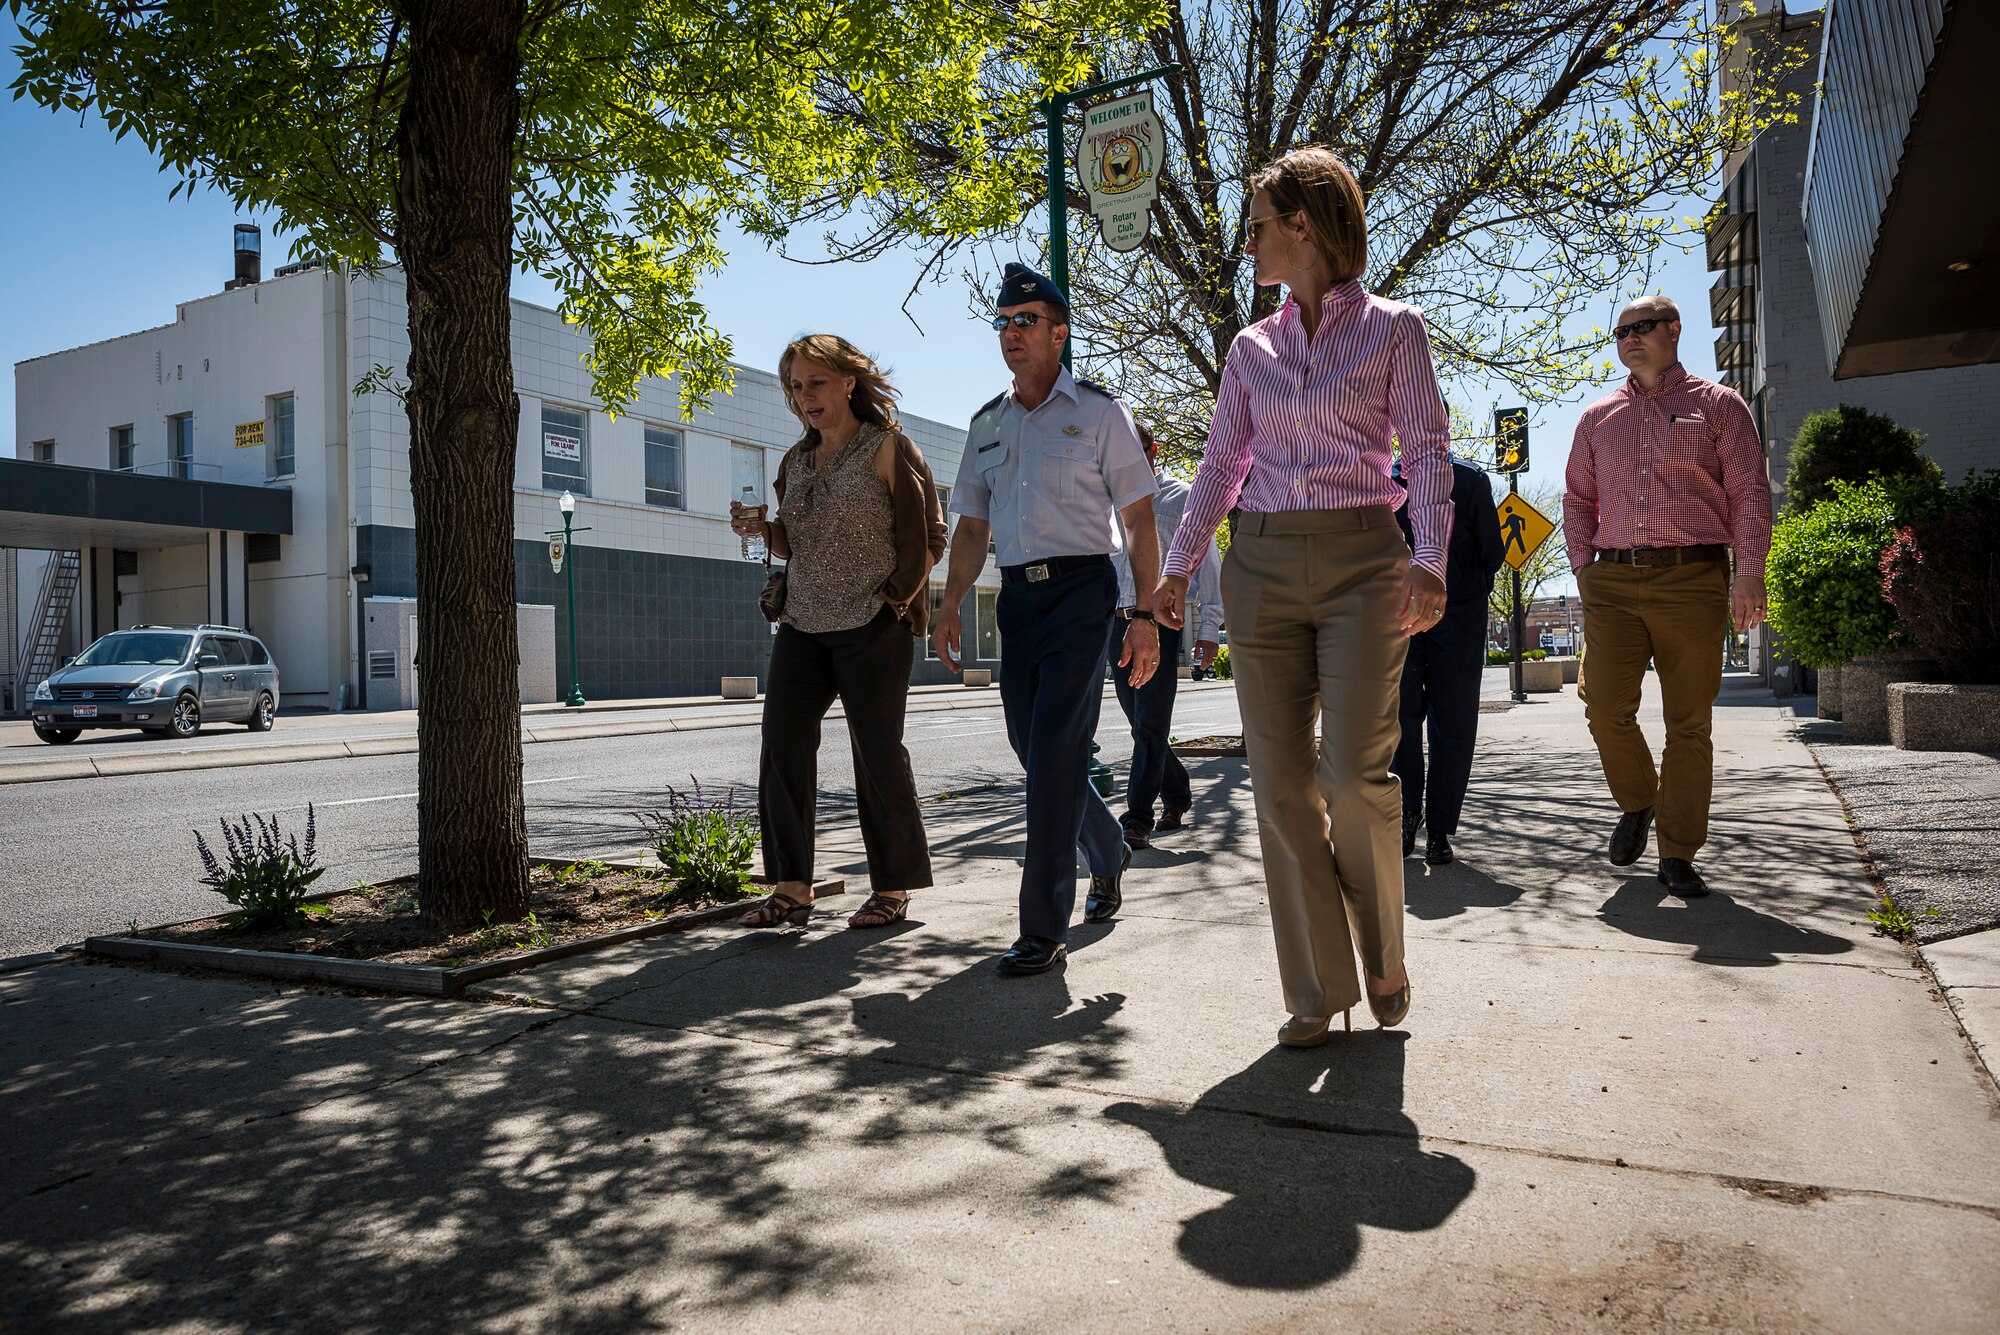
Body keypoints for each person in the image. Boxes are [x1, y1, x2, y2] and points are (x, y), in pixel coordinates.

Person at [1155, 146, 1452, 1048]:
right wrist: (1178, 563)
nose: (1248, 241)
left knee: (1355, 778)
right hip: (1264, 563)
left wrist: (1431, 556)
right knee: (1280, 786)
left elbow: (1429, 448)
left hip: (1367, 559)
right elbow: (1221, 464)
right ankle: (1319, 989)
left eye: (1258, 224)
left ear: (1302, 225)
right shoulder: (1251, 347)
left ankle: (1384, 952)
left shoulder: (1396, 329)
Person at [932, 263, 1161, 975]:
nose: (1011, 333)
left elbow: (1141, 520)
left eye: (1025, 320)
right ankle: (1107, 844)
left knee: (1057, 746)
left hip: (1082, 594)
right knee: (1035, 749)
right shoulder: (987, 424)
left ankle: (1042, 928)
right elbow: (971, 527)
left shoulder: (1097, 412)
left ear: (1060, 332)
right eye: (1002, 323)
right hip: (1019, 600)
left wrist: (1145, 612)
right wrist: (948, 600)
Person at [729, 334, 948, 930]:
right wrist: (761, 530)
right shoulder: (794, 461)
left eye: (816, 383)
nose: (805, 397)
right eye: (796, 387)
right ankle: (793, 886)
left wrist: (893, 602)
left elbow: (931, 536)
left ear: (849, 382)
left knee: (876, 754)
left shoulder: (888, 448)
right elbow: (792, 543)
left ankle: (893, 887)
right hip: (803, 624)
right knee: (782, 747)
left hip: (871, 624)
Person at [1563, 295, 1772, 898]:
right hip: (1612, 580)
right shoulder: (1598, 416)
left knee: (1689, 723)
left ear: (1674, 330)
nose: (1629, 338)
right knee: (1604, 708)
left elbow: (1749, 493)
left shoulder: (1719, 406)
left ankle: (1678, 851)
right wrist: (1584, 570)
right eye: (1621, 331)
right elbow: (1578, 498)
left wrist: (1748, 572)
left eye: (1642, 327)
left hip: (1692, 578)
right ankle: (1638, 803)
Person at [1108, 420, 1223, 848]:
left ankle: (1137, 817)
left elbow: (1208, 565)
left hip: (1160, 623)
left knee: (1151, 723)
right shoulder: (1106, 501)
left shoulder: (1182, 497)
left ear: (1152, 450)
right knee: (1139, 723)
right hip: (1114, 622)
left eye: (1132, 448)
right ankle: (1176, 791)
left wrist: (1209, 628)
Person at [1391, 458, 1505, 866]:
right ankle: (1405, 817)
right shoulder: (1381, 480)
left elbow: (1492, 553)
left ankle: (1440, 829)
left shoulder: (1470, 480)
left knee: (1453, 721)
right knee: (1399, 720)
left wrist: (1462, 591)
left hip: (1458, 616)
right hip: (1397, 617)